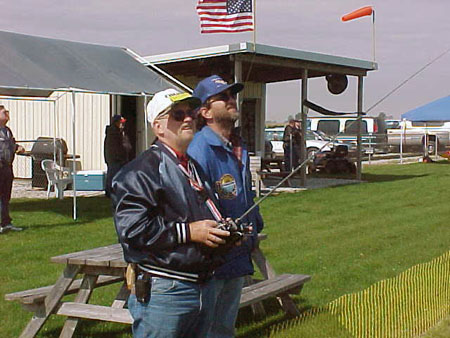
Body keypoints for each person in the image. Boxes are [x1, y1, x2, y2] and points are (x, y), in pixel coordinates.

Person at [111, 88, 231, 338]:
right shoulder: (140, 171)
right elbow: (132, 231)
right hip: (166, 290)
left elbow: (199, 212)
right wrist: (189, 232)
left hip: (202, 284)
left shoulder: (192, 166)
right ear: (158, 127)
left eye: (190, 113)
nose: (188, 119)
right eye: (177, 114)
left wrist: (224, 228)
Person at [188, 75, 264, 337]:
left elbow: (246, 196)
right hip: (213, 260)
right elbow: (198, 205)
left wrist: (255, 228)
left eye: (232, 95)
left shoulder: (237, 145)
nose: (232, 100)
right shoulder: (200, 149)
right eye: (223, 97)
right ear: (205, 112)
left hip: (238, 256)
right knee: (205, 328)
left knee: (224, 328)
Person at [0, 105, 24, 234]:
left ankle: (6, 222)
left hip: (8, 167)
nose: (7, 114)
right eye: (4, 112)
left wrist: (17, 147)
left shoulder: (7, 130)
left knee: (5, 196)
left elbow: (11, 144)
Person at [104, 114, 132, 197]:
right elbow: (116, 148)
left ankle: (116, 190)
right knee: (112, 175)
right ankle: (109, 191)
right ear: (116, 123)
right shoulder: (114, 133)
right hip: (115, 159)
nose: (122, 124)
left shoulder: (118, 132)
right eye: (121, 122)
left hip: (117, 158)